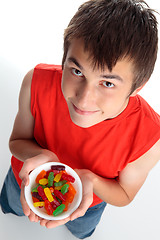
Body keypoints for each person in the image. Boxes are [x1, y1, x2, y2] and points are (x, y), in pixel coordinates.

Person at [0, 0, 160, 239]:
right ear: (64, 59)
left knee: (81, 229)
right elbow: (17, 141)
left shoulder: (150, 135)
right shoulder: (35, 82)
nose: (84, 100)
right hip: (23, 177)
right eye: (77, 71)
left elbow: (125, 194)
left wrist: (91, 179)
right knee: (11, 204)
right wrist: (41, 156)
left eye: (107, 83)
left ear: (137, 87)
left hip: (89, 203)